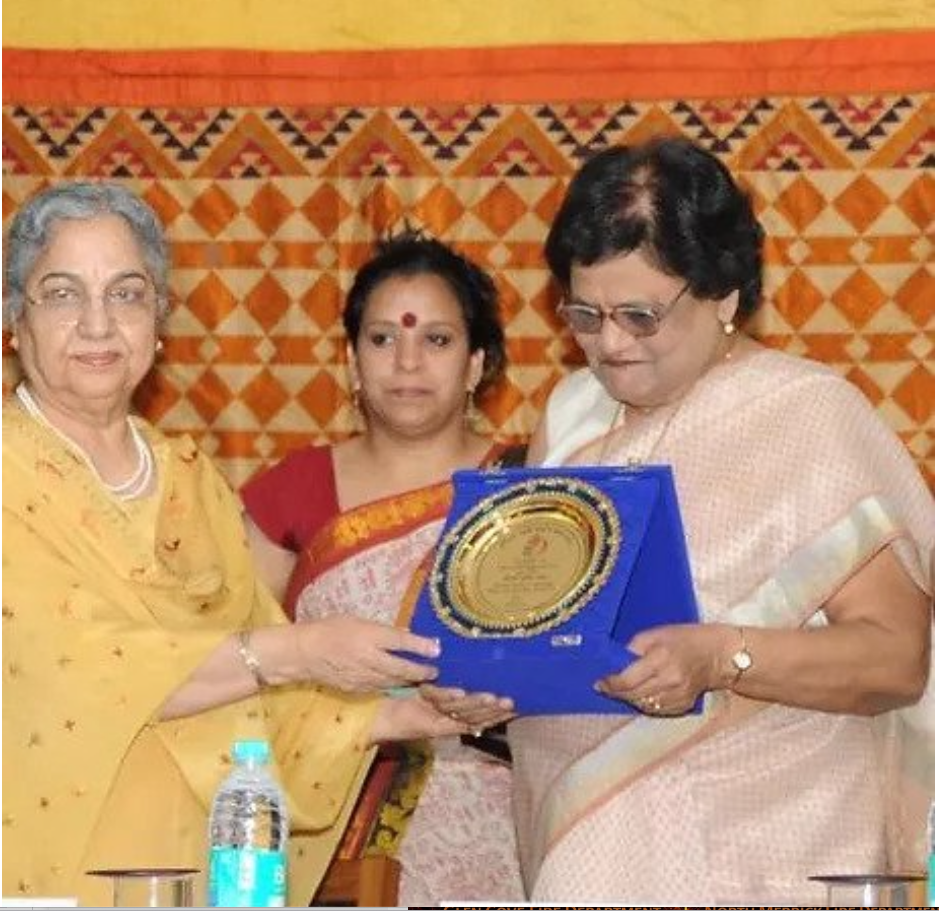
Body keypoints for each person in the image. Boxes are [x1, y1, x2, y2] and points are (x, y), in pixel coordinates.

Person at [1, 183, 512, 906]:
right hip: (48, 864)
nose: (97, 323)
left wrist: (406, 716)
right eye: (61, 293)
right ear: (14, 320)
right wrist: (298, 651)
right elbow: (74, 664)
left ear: (158, 324)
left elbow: (254, 680)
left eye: (126, 294)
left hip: (200, 865)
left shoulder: (188, 480)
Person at [510, 136, 934, 905]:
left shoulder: (807, 415)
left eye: (640, 315)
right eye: (584, 313)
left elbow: (895, 658)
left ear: (725, 295)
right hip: (588, 840)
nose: (609, 343)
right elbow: (550, 623)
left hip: (768, 844)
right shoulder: (571, 415)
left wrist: (719, 657)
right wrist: (491, 677)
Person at [242, 231, 527, 904]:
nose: (406, 362)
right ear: (350, 359)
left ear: (476, 362)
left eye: (435, 340)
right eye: (381, 339)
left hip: (508, 820)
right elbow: (238, 669)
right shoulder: (291, 490)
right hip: (330, 818)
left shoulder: (528, 487)